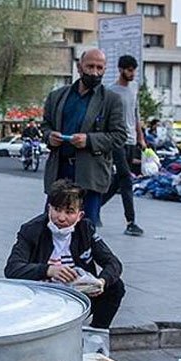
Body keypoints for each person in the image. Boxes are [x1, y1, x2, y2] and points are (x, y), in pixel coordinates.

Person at [4, 180, 125, 330]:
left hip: (78, 295)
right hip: (42, 297)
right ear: (49, 209)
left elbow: (113, 263)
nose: (61, 218)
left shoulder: (85, 230)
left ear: (79, 215)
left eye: (69, 212)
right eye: (57, 209)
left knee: (116, 286)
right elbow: (12, 269)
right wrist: (48, 270)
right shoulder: (32, 230)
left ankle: (96, 333)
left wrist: (102, 281)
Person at [41, 48, 127, 227]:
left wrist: (89, 140)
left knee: (85, 230)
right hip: (60, 170)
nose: (95, 72)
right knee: (52, 225)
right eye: (90, 67)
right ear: (79, 67)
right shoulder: (57, 96)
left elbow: (119, 136)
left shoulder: (111, 100)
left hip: (90, 175)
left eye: (99, 68)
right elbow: (45, 126)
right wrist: (49, 136)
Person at [101, 55, 145, 236]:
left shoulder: (134, 88)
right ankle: (131, 222)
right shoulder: (110, 91)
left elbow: (136, 115)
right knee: (126, 178)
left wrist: (141, 138)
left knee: (118, 180)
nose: (132, 73)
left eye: (134, 70)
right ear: (120, 70)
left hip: (132, 140)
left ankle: (91, 208)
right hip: (117, 140)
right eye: (129, 70)